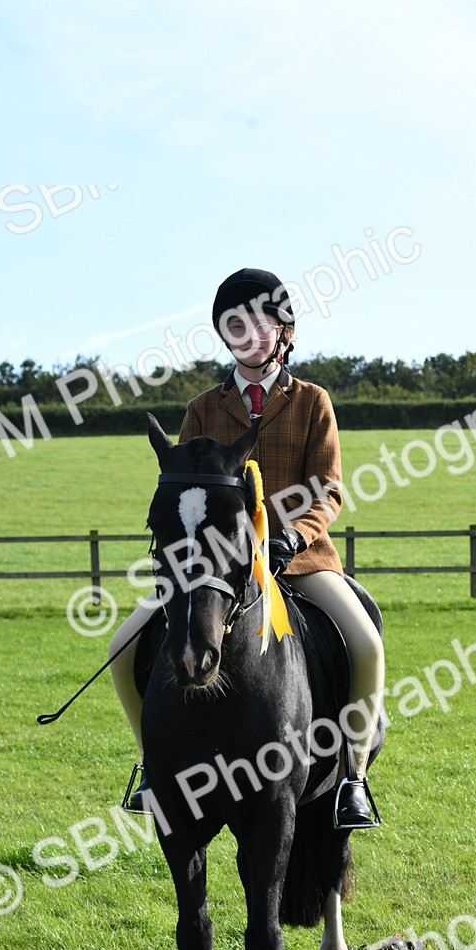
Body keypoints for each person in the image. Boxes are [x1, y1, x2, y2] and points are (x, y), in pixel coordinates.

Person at [108, 267, 385, 828]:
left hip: (299, 559)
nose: (248, 335)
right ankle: (151, 767)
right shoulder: (202, 408)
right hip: (217, 566)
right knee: (121, 646)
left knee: (365, 645)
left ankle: (351, 777)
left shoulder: (312, 401)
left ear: (284, 331)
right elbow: (185, 492)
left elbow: (329, 490)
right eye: (234, 325)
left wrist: (292, 537)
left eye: (259, 324)